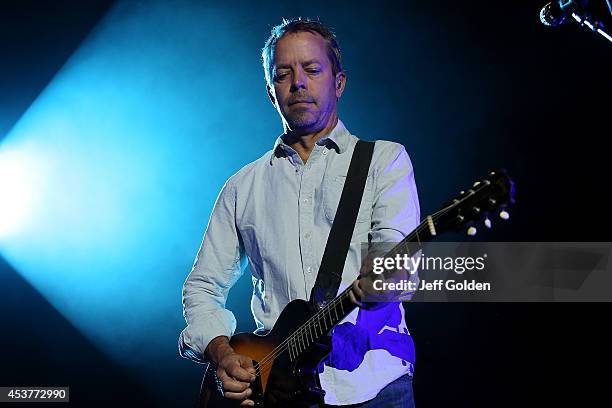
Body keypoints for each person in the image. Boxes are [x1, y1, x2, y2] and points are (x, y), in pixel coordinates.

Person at [179, 17, 420, 407]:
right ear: (271, 92)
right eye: (283, 74)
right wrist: (222, 353)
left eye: (312, 69)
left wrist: (385, 282)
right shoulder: (242, 187)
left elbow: (396, 259)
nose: (299, 83)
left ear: (338, 82)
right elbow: (203, 286)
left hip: (373, 388)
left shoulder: (384, 161)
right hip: (276, 390)